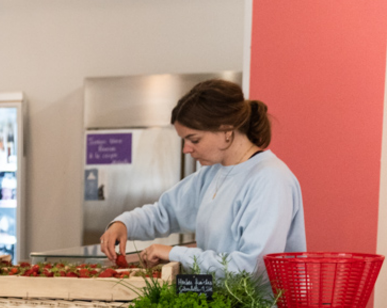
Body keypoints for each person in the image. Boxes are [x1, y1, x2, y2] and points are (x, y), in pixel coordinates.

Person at [100, 79, 305, 279]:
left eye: (194, 139)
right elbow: (165, 213)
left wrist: (174, 253)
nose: (186, 149)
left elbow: (252, 267)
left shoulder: (270, 179)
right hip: (220, 306)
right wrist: (123, 223)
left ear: (226, 131)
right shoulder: (212, 173)